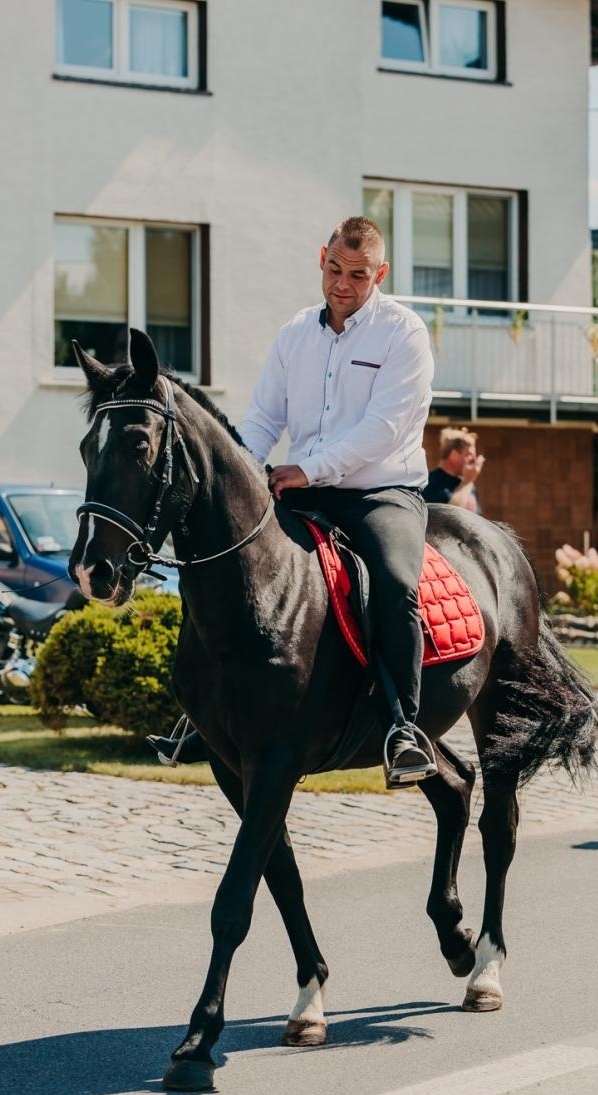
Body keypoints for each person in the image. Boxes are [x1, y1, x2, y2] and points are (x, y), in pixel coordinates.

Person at [150, 216, 437, 787]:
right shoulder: (295, 334)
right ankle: (199, 710)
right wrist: (237, 470)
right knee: (224, 561)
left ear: (379, 273)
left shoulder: (404, 334)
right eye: (334, 269)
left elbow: (383, 428)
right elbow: (262, 420)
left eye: (357, 275)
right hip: (304, 491)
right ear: (321, 258)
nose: (341, 284)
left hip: (382, 493)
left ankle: (405, 726)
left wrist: (308, 468)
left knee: (395, 581)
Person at [423, 427, 484, 512]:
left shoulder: (467, 483)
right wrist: (468, 481)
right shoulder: (430, 483)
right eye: (469, 454)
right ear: (454, 455)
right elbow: (451, 517)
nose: (474, 459)